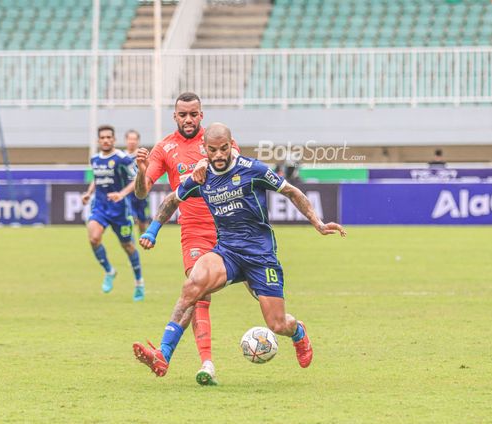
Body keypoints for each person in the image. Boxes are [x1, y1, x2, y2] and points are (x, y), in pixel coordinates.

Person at [132, 123, 346, 381]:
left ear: (231, 145)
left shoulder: (252, 169)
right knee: (193, 285)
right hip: (228, 253)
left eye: (224, 149)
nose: (219, 155)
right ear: (206, 150)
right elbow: (171, 201)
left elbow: (291, 191)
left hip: (260, 256)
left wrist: (318, 223)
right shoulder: (201, 176)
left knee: (277, 324)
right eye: (213, 150)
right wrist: (152, 231)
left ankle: (298, 332)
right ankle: (163, 355)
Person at [134, 92, 241, 386]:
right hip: (194, 231)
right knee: (197, 292)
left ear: (201, 115)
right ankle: (202, 363)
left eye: (193, 114)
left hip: (231, 229)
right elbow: (143, 191)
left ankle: (294, 331)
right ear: (175, 117)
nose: (189, 119)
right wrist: (141, 171)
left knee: (266, 301)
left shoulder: (218, 143)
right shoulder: (164, 148)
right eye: (183, 115)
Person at [81, 125, 145, 301]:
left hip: (120, 210)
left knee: (128, 246)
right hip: (100, 207)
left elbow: (136, 179)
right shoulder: (94, 159)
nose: (106, 140)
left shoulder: (122, 159)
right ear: (98, 140)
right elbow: (97, 179)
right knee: (93, 238)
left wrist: (122, 194)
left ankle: (139, 282)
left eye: (109, 137)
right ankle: (109, 271)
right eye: (103, 138)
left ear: (114, 140)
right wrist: (88, 193)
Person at [123, 129, 151, 234]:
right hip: (126, 192)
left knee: (142, 219)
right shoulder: (121, 156)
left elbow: (150, 171)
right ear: (126, 140)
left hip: (141, 190)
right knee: (129, 216)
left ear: (138, 141)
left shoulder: (143, 155)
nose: (132, 141)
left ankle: (143, 235)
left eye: (134, 139)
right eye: (130, 139)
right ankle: (128, 237)